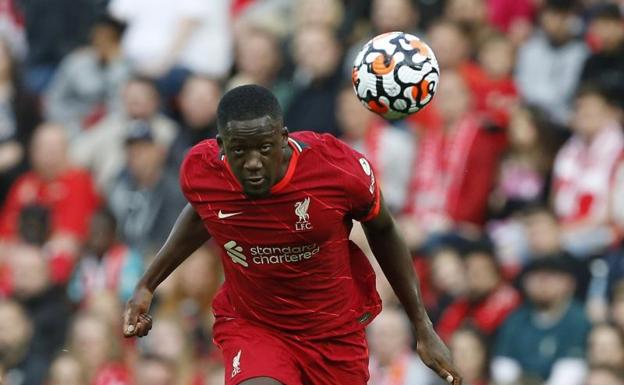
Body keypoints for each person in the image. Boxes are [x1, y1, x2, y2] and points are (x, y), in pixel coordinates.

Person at [122, 85, 461, 385]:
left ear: (283, 137)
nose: (253, 163)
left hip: (333, 333)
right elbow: (201, 213)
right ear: (221, 145)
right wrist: (147, 284)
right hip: (254, 324)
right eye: (239, 151)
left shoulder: (338, 170)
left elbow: (384, 229)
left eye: (265, 149)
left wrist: (422, 324)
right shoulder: (202, 171)